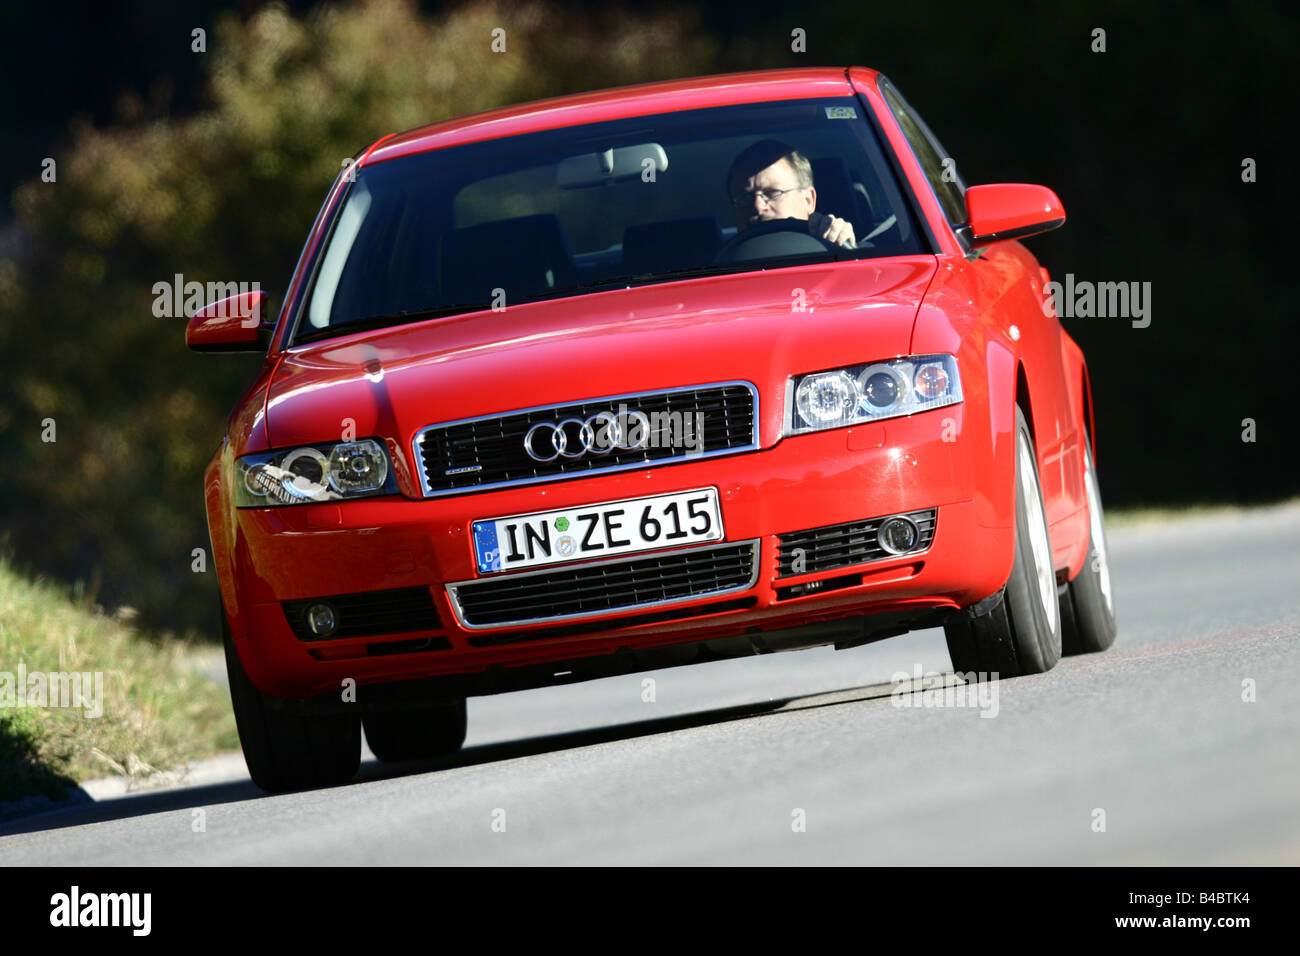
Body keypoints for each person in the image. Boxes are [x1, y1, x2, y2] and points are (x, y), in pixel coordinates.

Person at [726, 139, 857, 248]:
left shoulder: (840, 249)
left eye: (772, 193)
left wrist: (843, 246)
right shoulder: (713, 271)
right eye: (745, 197)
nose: (757, 206)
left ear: (808, 200)